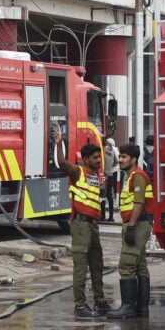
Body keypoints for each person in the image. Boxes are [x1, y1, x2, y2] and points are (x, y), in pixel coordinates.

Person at [53, 129, 110, 318]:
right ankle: (80, 305)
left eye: (99, 157)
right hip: (81, 225)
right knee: (81, 265)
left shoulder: (96, 175)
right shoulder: (78, 172)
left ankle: (100, 301)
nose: (98, 161)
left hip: (93, 225)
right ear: (85, 160)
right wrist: (59, 143)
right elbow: (61, 163)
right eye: (95, 158)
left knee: (97, 263)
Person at [106, 144, 154, 318]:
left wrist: (131, 226)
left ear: (133, 159)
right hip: (138, 223)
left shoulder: (138, 176)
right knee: (140, 266)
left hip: (138, 224)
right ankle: (141, 308)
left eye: (124, 157)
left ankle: (127, 307)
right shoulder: (131, 176)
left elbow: (139, 203)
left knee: (126, 265)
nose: (120, 160)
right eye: (121, 157)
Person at [101, 138, 118, 222]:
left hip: (103, 175)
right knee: (109, 196)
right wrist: (110, 167)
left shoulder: (102, 151)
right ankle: (111, 216)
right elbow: (116, 161)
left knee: (102, 196)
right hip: (110, 175)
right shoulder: (112, 151)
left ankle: (102, 216)